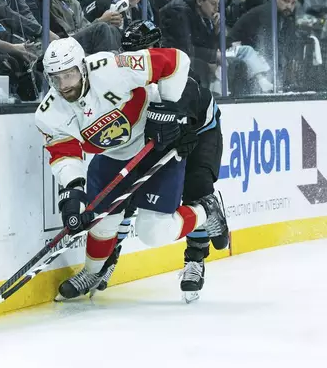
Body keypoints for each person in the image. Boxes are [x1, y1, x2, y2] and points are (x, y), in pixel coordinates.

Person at [35, 36, 223, 302]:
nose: (64, 85)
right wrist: (74, 188)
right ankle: (92, 272)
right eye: (56, 78)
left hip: (155, 143)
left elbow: (176, 60)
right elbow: (64, 153)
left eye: (69, 75)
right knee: (100, 222)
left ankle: (207, 210)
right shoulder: (49, 112)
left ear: (82, 67)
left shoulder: (112, 68)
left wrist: (168, 109)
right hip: (113, 155)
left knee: (153, 231)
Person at [93, 20, 228, 303]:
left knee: (196, 187)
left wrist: (182, 133)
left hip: (199, 134)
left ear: (155, 49)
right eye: (130, 52)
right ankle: (109, 259)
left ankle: (195, 258)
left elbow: (187, 124)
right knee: (127, 191)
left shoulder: (180, 82)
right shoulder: (126, 82)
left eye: (141, 51)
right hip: (160, 139)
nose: (136, 60)